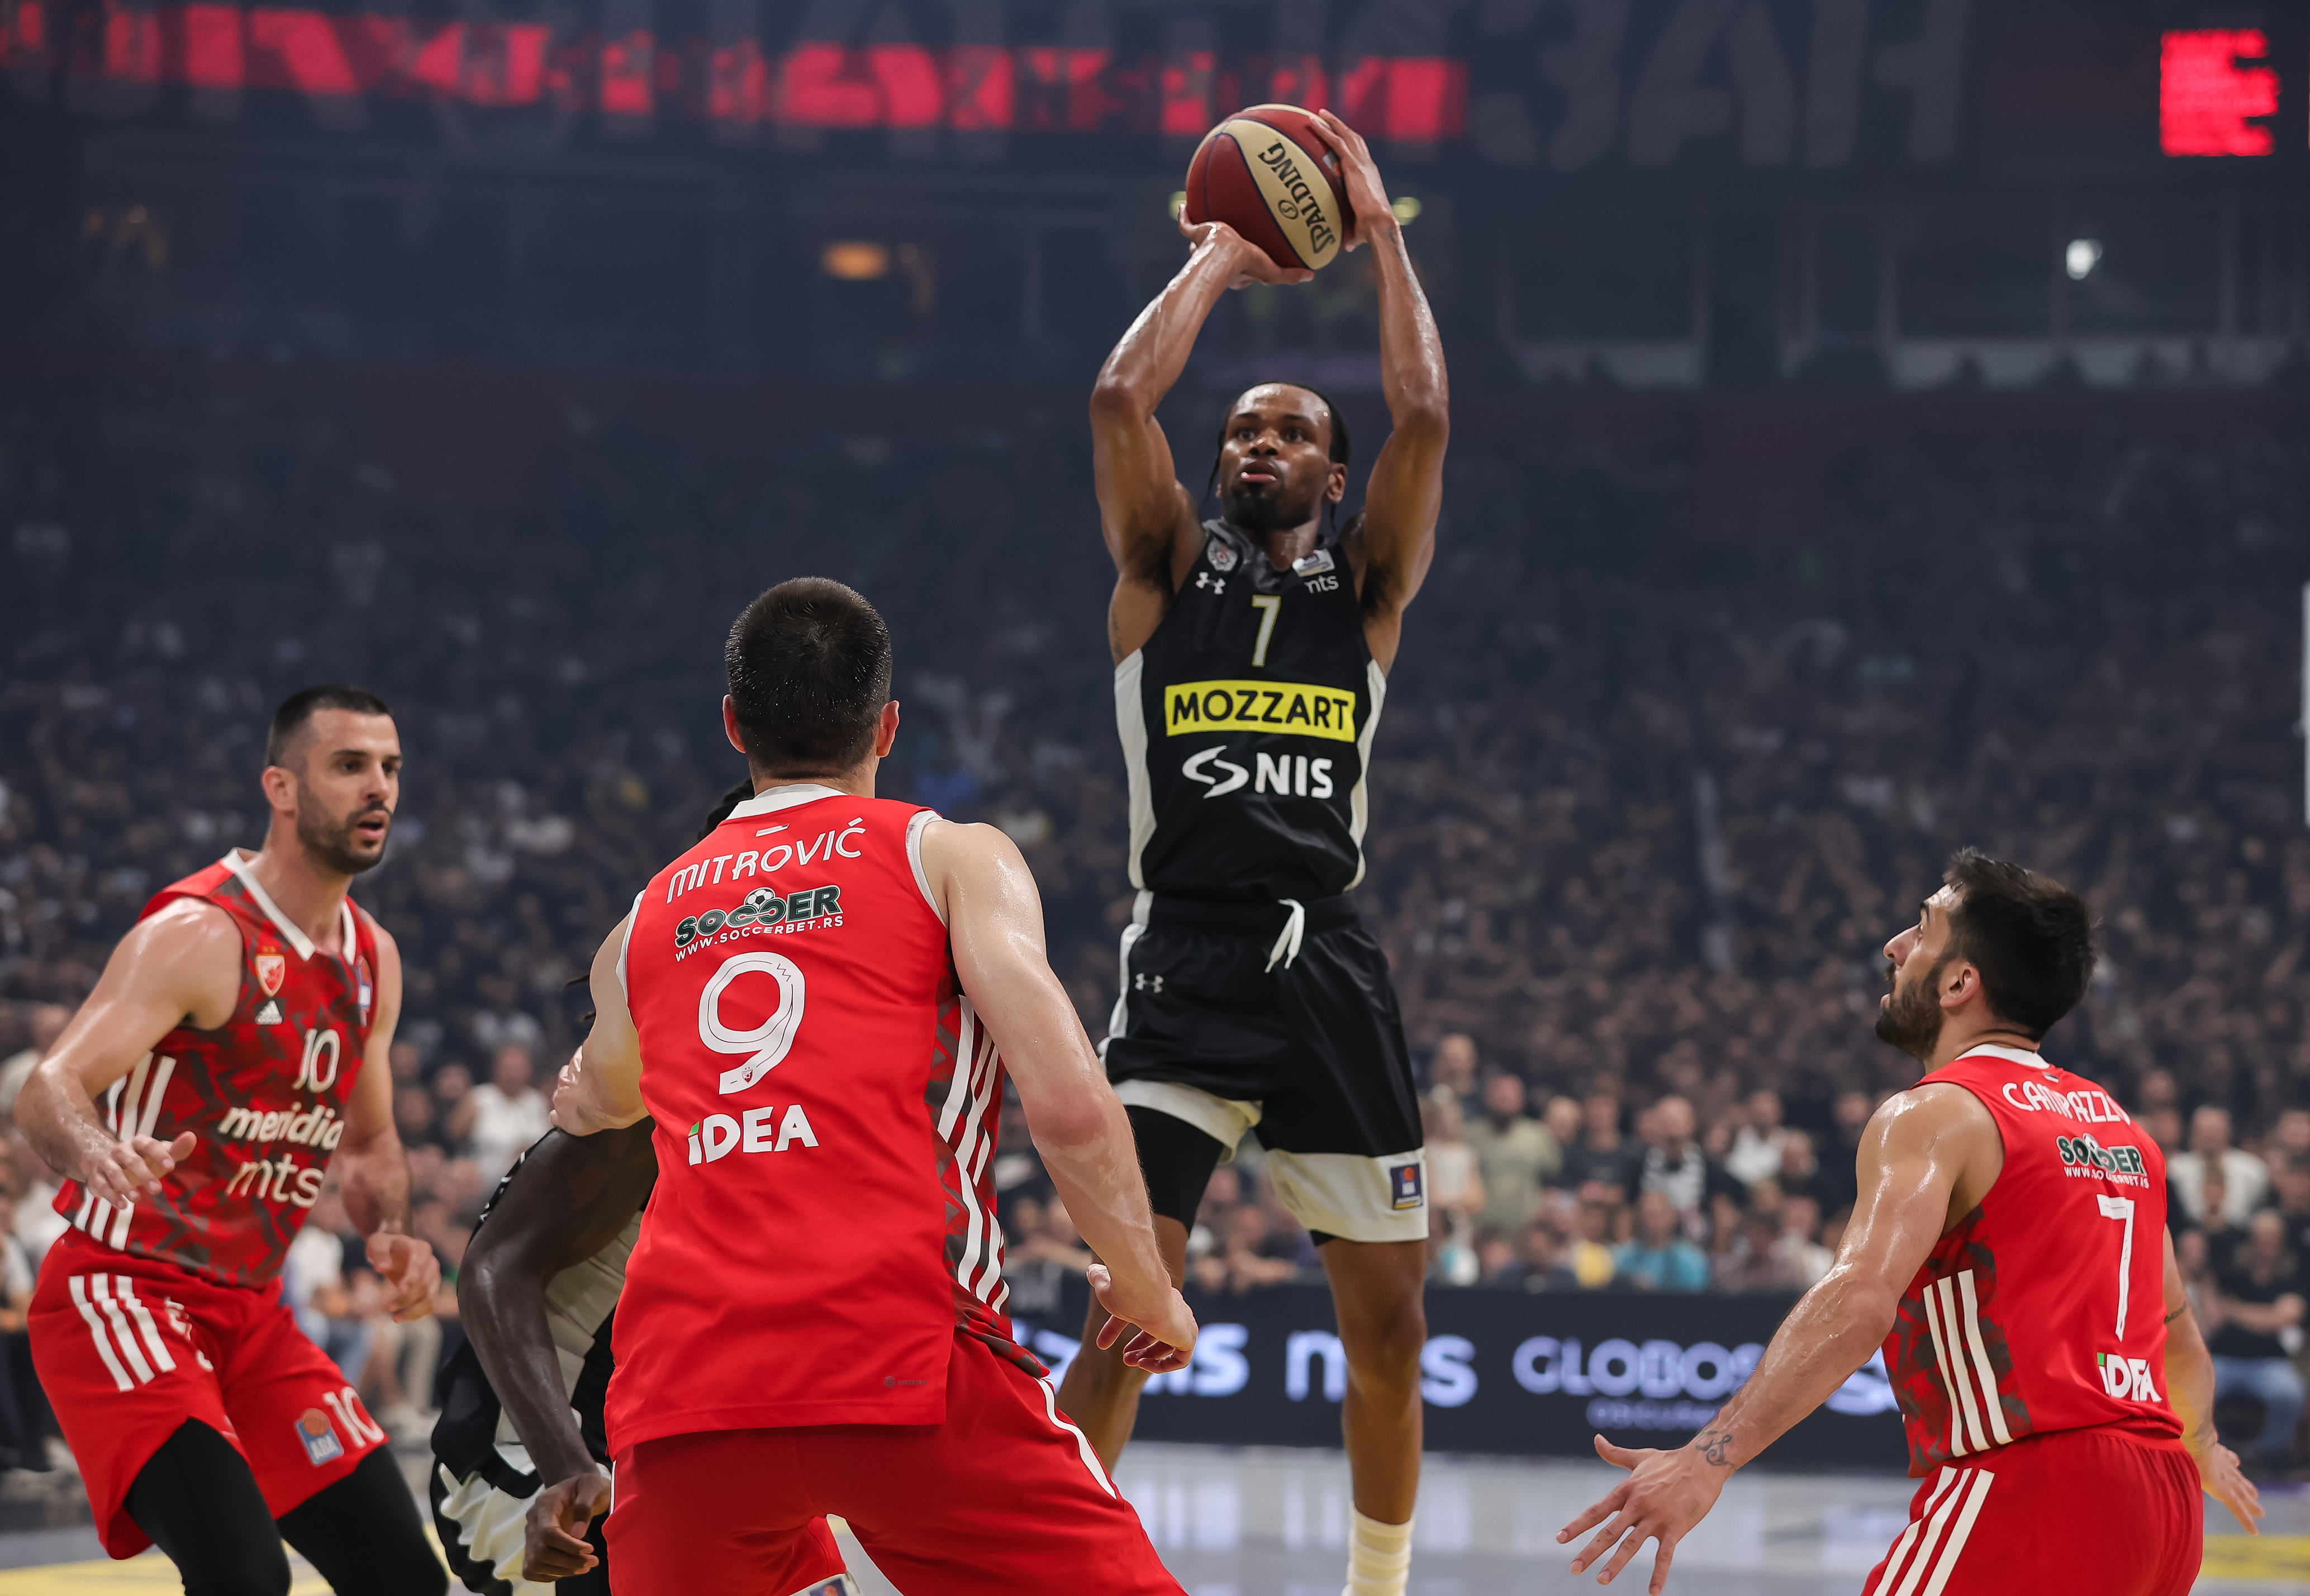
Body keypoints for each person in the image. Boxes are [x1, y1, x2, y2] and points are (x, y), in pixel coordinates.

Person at [545, 579, 1196, 1594]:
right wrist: (1147, 1288)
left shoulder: (644, 919)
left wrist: (585, 1089)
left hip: (689, 1400)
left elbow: (598, 1098)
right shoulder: (949, 857)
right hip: (904, 1359)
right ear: (886, 727)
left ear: (733, 726)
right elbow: (1070, 1108)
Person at [1058, 109, 1449, 1596]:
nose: (1259, 444)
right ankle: (1049, 1572)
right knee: (1127, 1307)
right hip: (1187, 959)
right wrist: (1223, 255)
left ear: (1332, 479)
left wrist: (1381, 233)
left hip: (1326, 961)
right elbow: (1116, 397)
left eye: (1290, 433)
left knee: (1390, 1330)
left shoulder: (1369, 591)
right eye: (1240, 430)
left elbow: (1423, 418)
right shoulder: (1162, 575)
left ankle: (1378, 1588)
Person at [1557, 850, 2261, 1595]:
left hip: (2035, 1485)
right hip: (2164, 1505)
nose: (1894, 946)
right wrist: (2202, 1445)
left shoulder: (1935, 1112)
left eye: (1922, 930)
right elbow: (2177, 1334)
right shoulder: (2121, 1132)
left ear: (1960, 983)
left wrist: (1707, 1459)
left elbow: (1859, 1299)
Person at [14, 685, 448, 1594]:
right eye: (350, 765)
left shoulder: (372, 957)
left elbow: (370, 1141)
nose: (379, 787)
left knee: (404, 1576)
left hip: (250, 1311)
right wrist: (96, 1150)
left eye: (390, 767)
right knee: (245, 1578)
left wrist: (393, 1231)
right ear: (280, 788)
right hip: (126, 1292)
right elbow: (50, 1085)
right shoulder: (200, 931)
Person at [2207, 1209, 2307, 1474]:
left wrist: (2234, 1310)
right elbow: (2213, 1318)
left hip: (2269, 1362)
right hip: (2224, 1359)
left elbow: (2285, 1317)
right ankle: (2214, 1451)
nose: (2267, 1244)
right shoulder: (2230, 1271)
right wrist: (2266, 1316)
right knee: (2197, 1388)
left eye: (2273, 1238)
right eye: (2262, 1237)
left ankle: (2268, 1454)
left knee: (2289, 1394)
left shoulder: (2292, 1274)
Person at [1465, 1073, 1558, 1236]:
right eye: (1500, 1096)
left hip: (1528, 1230)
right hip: (1481, 1230)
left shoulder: (1538, 1136)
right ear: (1488, 1099)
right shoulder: (1471, 1135)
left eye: (1510, 1097)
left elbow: (1552, 1181)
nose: (1505, 1101)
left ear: (1521, 1101)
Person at [1612, 1190, 1708, 1293]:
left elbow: (1695, 1298)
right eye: (1647, 1214)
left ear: (1673, 1216)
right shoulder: (1621, 1257)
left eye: (1660, 1214)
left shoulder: (1691, 1260)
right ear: (1638, 1217)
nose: (1653, 1220)